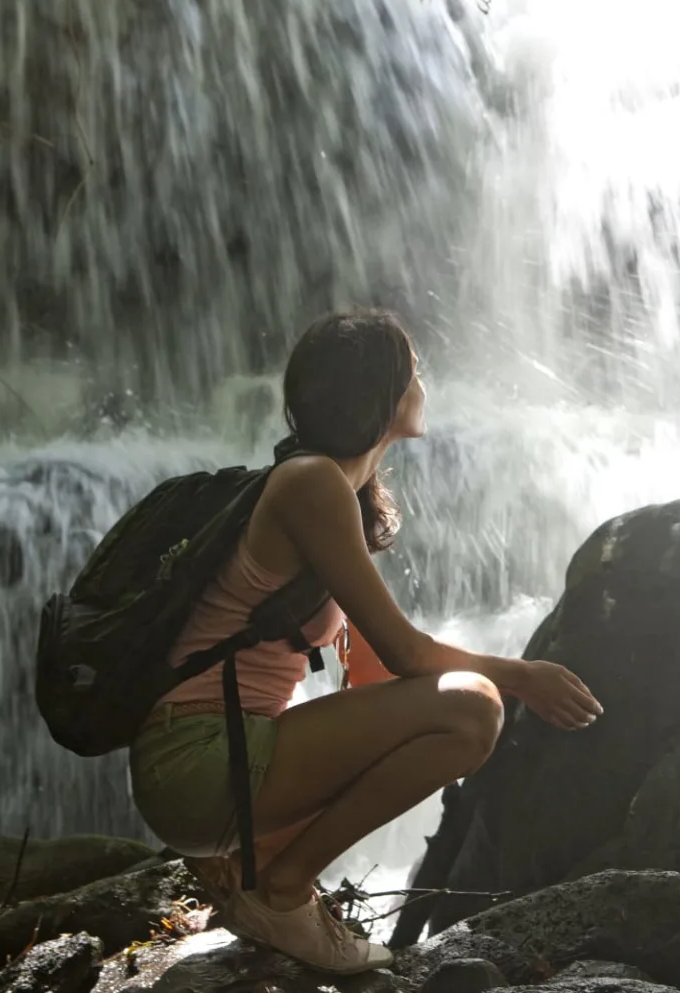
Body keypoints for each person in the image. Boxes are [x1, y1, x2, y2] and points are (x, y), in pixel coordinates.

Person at [128, 307, 603, 974]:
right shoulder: (311, 485)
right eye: (414, 367)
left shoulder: (330, 490)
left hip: (217, 770)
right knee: (474, 708)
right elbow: (411, 656)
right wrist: (523, 675)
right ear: (379, 393)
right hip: (199, 762)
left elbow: (381, 668)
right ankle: (284, 888)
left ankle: (265, 876)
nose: (424, 380)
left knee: (449, 705)